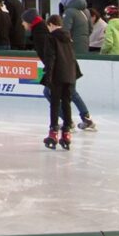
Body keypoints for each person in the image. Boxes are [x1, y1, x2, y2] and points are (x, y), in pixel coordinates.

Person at [38, 9, 82, 147]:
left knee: (55, 104)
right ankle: (66, 133)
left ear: (50, 24)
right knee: (67, 103)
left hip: (57, 75)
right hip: (69, 75)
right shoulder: (68, 37)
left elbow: (51, 58)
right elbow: (72, 58)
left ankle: (53, 132)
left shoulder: (51, 38)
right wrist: (75, 74)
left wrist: (48, 76)